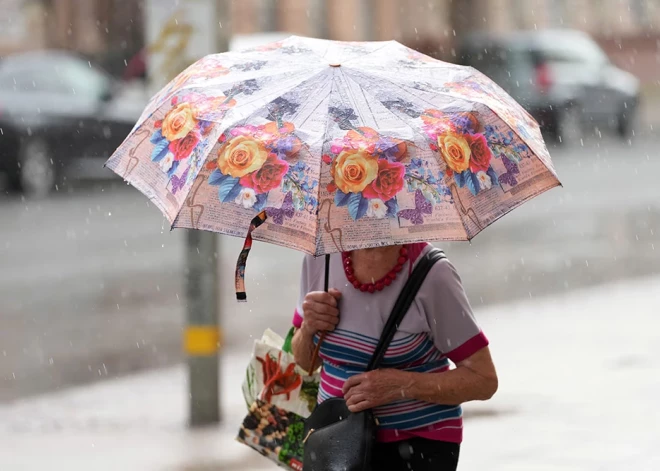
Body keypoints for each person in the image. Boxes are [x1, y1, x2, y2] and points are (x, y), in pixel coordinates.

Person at [291, 242, 498, 471]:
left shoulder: (433, 273)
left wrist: (401, 385)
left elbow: (483, 379)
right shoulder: (319, 258)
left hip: (418, 446)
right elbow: (305, 362)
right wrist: (309, 327)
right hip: (334, 442)